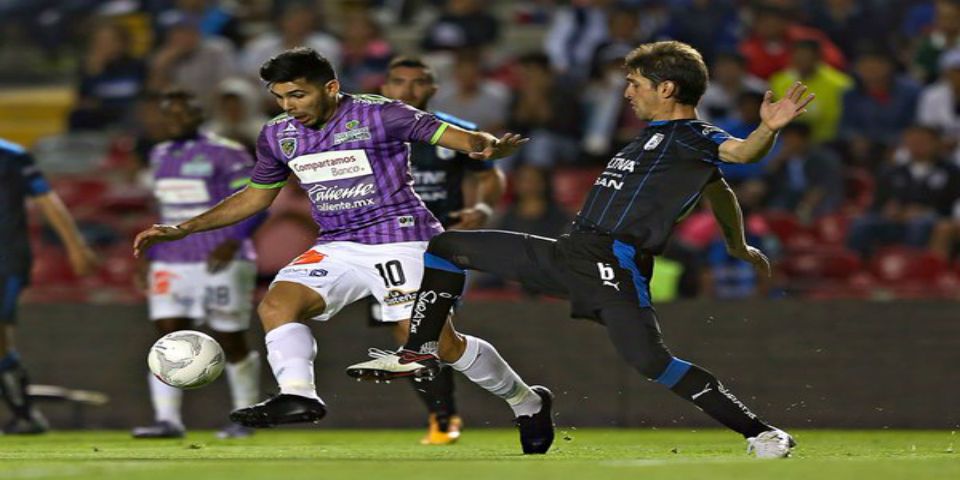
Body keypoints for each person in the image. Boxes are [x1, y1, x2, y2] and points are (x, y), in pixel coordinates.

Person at [347, 41, 815, 459]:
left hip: (614, 263)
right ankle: (422, 348)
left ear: (667, 88)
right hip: (570, 252)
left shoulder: (696, 137)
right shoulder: (653, 141)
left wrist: (766, 131)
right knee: (446, 247)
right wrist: (739, 243)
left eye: (634, 84)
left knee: (651, 362)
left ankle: (761, 432)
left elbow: (741, 155)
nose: (627, 92)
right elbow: (720, 192)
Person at [132, 47, 554, 454]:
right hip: (338, 244)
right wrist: (184, 228)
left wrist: (487, 145)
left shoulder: (380, 113)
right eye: (279, 98)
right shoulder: (278, 134)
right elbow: (255, 197)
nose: (288, 106)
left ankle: (527, 402)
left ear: (330, 87)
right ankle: (298, 395)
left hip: (402, 237)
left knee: (439, 347)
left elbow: (457, 136)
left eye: (298, 94)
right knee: (277, 305)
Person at [374, 56, 506, 445]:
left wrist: (482, 208)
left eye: (418, 84)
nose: (408, 91)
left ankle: (444, 417)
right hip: (382, 246)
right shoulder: (367, 132)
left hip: (438, 246)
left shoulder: (455, 132)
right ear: (385, 88)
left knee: (418, 330)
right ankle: (444, 415)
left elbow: (491, 173)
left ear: (433, 90)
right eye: (399, 82)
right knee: (410, 334)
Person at [132, 90, 265, 439]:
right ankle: (167, 420)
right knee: (166, 335)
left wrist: (234, 239)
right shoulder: (159, 154)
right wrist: (151, 252)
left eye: (182, 113)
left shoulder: (227, 152)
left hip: (219, 257)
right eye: (168, 114)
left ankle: (244, 417)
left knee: (230, 337)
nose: (174, 120)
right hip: (171, 260)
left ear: (198, 115)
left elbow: (258, 200)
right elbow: (165, 211)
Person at [0, 138, 98, 434]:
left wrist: (76, 246)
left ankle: (26, 415)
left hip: (6, 259)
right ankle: (26, 415)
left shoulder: (11, 156)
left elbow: (47, 199)